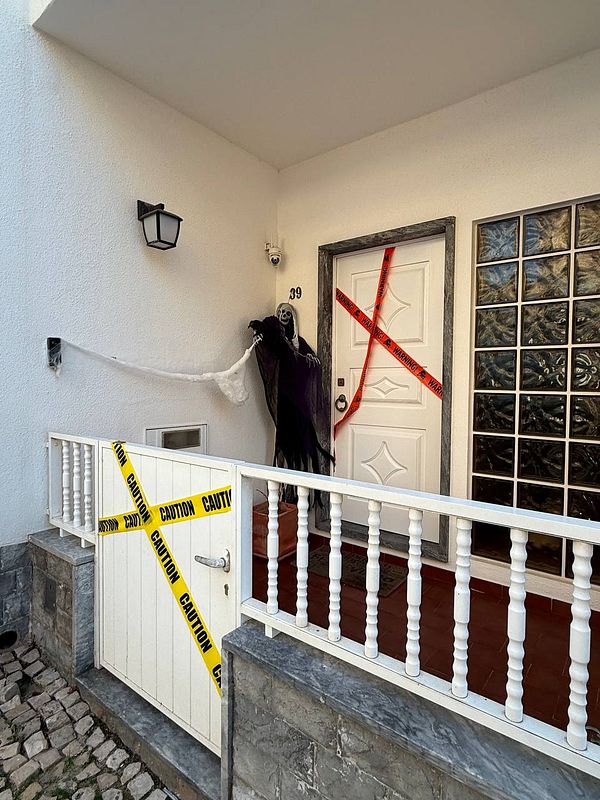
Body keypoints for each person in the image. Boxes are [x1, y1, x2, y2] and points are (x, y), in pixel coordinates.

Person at [249, 304, 333, 500]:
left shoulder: (297, 342)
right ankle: (282, 491)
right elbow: (266, 343)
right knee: (284, 441)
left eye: (287, 313)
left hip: (298, 399)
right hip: (284, 397)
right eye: (281, 312)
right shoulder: (273, 335)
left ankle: (295, 493)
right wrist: (259, 333)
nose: (283, 315)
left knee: (303, 442)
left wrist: (310, 358)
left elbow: (310, 361)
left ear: (292, 317)